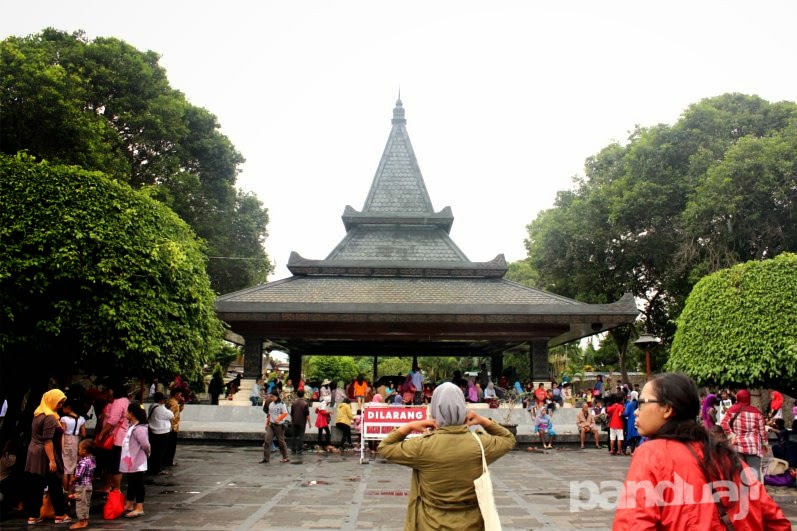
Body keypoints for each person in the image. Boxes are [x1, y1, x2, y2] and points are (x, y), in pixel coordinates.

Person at [612, 373, 790, 530]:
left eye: (642, 403)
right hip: (752, 448)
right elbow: (776, 520)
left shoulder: (651, 454)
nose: (636, 411)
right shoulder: (722, 453)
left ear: (667, 409)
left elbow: (632, 525)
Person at [378, 382, 515, 530]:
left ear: (435, 408)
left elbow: (385, 448)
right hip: (472, 525)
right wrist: (483, 420)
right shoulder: (481, 444)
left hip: (431, 524)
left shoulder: (422, 446)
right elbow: (509, 439)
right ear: (463, 408)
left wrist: (409, 426)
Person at [23, 388, 71, 525]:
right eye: (59, 403)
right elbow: (47, 441)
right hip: (45, 455)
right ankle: (60, 514)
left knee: (36, 485)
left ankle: (33, 515)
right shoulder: (49, 417)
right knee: (54, 483)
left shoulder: (38, 413)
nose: (60, 406)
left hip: (34, 454)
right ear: (51, 400)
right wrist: (52, 460)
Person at [720, 389, 768, 477]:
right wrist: (765, 444)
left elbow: (723, 423)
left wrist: (731, 435)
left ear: (738, 398)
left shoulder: (731, 410)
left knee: (738, 472)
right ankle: (755, 490)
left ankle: (740, 490)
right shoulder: (757, 413)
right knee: (754, 473)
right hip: (753, 446)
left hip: (737, 445)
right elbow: (762, 430)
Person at [97, 383, 129, 493]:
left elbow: (112, 421)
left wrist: (101, 434)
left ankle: (116, 489)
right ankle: (112, 487)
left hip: (116, 437)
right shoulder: (125, 401)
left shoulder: (118, 402)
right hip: (120, 437)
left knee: (114, 465)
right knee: (113, 464)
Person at [120, 402, 150, 518]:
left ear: (132, 413)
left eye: (127, 411)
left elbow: (145, 445)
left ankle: (139, 507)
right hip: (130, 460)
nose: (126, 413)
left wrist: (147, 454)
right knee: (131, 481)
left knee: (138, 483)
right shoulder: (133, 426)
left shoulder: (140, 429)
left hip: (137, 460)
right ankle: (129, 503)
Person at [68, 439, 96, 529]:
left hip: (82, 486)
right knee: (86, 503)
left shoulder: (83, 462)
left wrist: (72, 480)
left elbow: (78, 475)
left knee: (80, 504)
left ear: (84, 451)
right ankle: (85, 520)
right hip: (89, 485)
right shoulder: (92, 460)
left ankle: (81, 522)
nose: (78, 451)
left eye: (79, 449)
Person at [59, 400, 86, 492]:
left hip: (66, 440)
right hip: (76, 441)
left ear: (68, 408)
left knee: (65, 469)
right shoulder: (81, 419)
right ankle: (70, 491)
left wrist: (61, 446)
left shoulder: (64, 419)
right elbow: (84, 434)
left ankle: (64, 491)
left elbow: (62, 433)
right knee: (73, 468)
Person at [146, 392, 174, 475]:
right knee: (159, 452)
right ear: (161, 400)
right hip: (161, 433)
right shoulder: (161, 408)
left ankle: (151, 467)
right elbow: (171, 415)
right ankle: (157, 469)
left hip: (152, 431)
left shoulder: (152, 406)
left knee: (153, 451)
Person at [261, 391, 290, 463]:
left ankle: (285, 457)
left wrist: (279, 419)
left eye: (272, 397)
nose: (271, 398)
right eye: (270, 396)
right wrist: (267, 423)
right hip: (271, 425)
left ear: (277, 396)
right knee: (267, 440)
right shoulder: (271, 404)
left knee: (281, 441)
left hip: (279, 425)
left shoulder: (282, 404)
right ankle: (266, 458)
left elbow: (285, 413)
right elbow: (269, 415)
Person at [163, 388, 183, 467]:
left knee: (168, 446)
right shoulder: (174, 404)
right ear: (176, 395)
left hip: (169, 427)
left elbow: (177, 412)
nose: (181, 396)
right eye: (180, 395)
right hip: (173, 427)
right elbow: (171, 416)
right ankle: (169, 461)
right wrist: (172, 426)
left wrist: (182, 404)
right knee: (171, 446)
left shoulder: (169, 402)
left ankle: (166, 460)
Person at [290, 389, 311, 456]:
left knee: (294, 436)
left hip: (294, 421)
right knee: (300, 436)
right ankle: (299, 450)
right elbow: (307, 414)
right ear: (303, 395)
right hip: (302, 422)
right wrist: (309, 423)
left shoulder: (294, 403)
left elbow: (292, 413)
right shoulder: (305, 403)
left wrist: (292, 420)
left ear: (297, 394)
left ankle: (293, 450)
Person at [624, 391, 640, 456]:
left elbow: (626, 413)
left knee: (632, 438)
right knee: (638, 437)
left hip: (631, 421)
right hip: (639, 421)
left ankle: (632, 451)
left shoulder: (629, 404)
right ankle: (638, 450)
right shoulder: (639, 404)